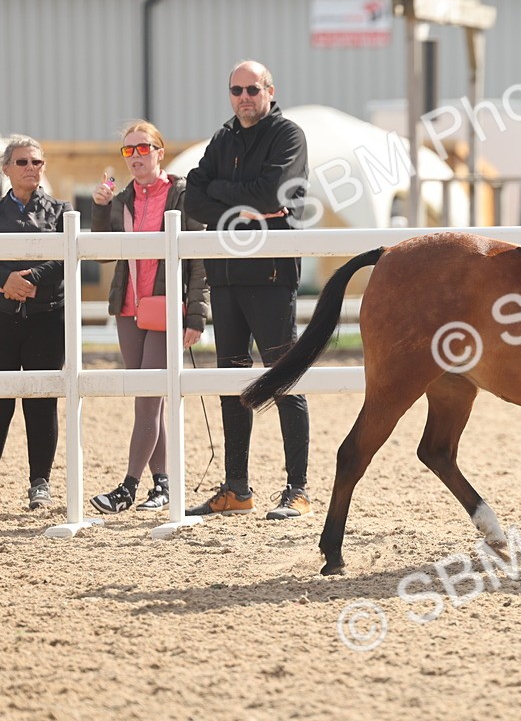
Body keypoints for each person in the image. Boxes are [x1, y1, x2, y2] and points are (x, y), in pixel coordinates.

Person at [183, 60, 311, 519]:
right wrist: (239, 198)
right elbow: (191, 197)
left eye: (252, 89)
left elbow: (271, 194)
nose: (244, 96)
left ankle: (297, 489)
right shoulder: (222, 138)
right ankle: (237, 488)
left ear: (270, 90)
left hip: (271, 272)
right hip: (225, 274)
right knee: (230, 379)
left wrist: (224, 195)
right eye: (236, 89)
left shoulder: (288, 135)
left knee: (283, 377)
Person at [88, 121, 209, 514]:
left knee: (147, 400)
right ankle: (163, 485)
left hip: (165, 308)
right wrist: (100, 208)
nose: (136, 156)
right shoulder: (122, 198)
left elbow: (197, 257)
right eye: (128, 150)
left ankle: (128, 487)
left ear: (159, 151)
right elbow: (103, 253)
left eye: (143, 148)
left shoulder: (181, 193)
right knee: (148, 402)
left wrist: (197, 314)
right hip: (127, 308)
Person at [0, 136, 69, 510]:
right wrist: (4, 282)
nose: (31, 168)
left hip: (46, 318)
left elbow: (66, 254)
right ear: (6, 168)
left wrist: (31, 278)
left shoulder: (61, 210)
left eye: (37, 162)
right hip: (2, 318)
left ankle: (39, 481)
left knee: (42, 400)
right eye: (23, 162)